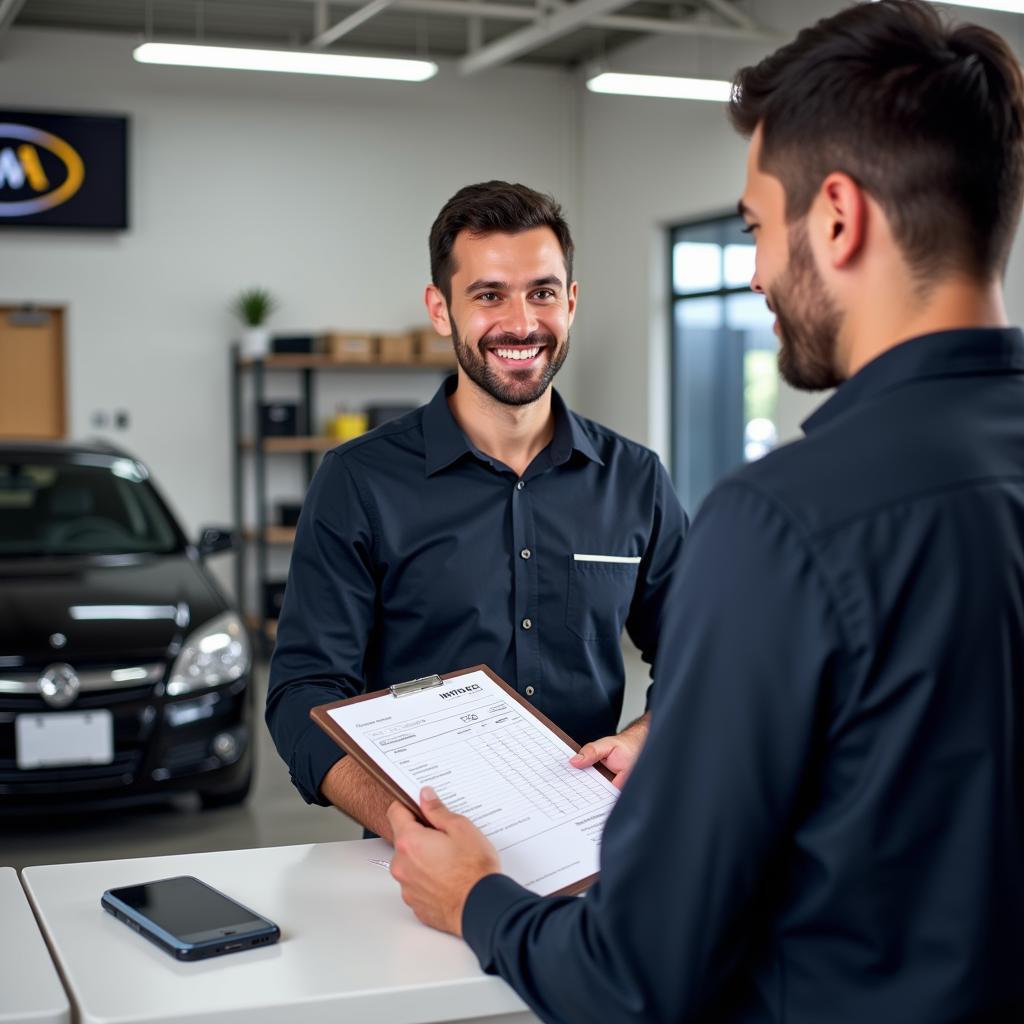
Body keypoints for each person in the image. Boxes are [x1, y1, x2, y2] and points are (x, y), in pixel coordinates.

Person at [386, 2, 1024, 1020]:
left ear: (837, 218)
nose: (759, 272)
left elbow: (636, 974)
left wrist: (478, 900)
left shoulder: (785, 521)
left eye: (755, 230)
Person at [266, 181, 688, 839]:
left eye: (542, 293)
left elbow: (702, 653)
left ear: (571, 303)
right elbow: (302, 695)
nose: (521, 323)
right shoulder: (357, 482)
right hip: (418, 851)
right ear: (441, 309)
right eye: (489, 295)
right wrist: (405, 825)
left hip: (593, 849)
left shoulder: (636, 479)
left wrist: (641, 739)